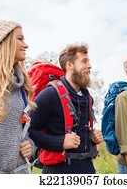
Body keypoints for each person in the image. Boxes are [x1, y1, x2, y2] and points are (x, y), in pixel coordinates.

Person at [28, 43, 103, 174]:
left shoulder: (88, 97)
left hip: (87, 169)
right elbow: (29, 129)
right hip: (57, 171)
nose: (89, 66)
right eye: (84, 61)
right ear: (69, 65)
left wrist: (91, 138)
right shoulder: (49, 94)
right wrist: (59, 142)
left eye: (89, 62)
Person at [0, 20, 37, 173]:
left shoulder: (22, 86)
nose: (26, 45)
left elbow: (23, 130)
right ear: (3, 42)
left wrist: (29, 145)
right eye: (20, 38)